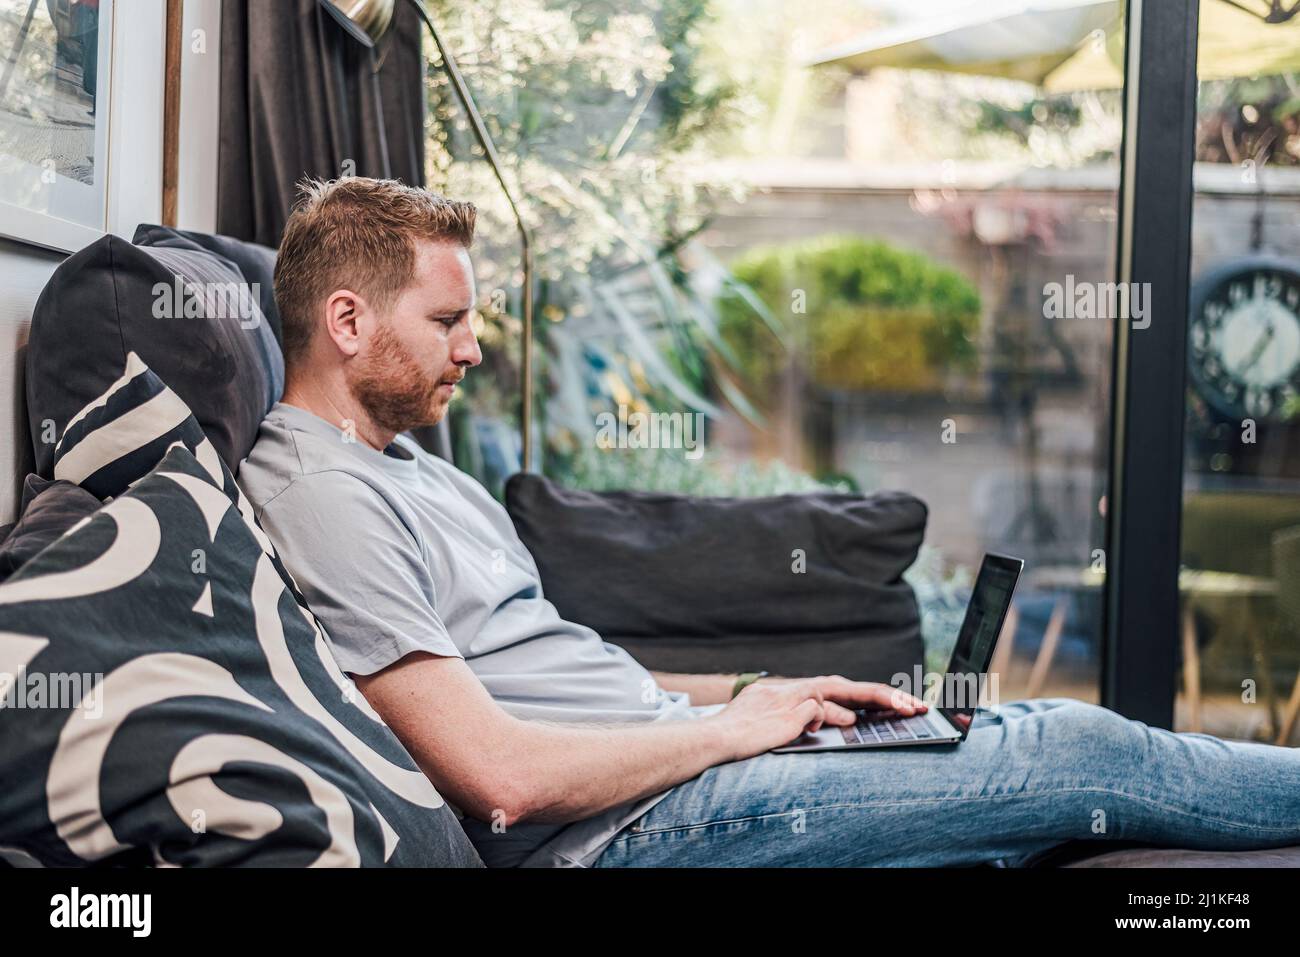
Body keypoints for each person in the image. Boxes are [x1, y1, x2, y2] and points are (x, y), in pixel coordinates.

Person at [238, 176, 1300, 867]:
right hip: (624, 835)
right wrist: (725, 736)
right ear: (346, 321)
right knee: (1076, 750)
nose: (472, 349)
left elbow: (552, 668)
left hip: (670, 770)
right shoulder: (319, 493)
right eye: (446, 321)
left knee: (1006, 763)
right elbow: (502, 782)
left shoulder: (411, 467)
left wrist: (758, 694)